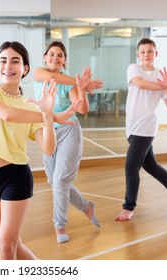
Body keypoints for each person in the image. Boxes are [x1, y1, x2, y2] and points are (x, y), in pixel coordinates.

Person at [0, 41, 82, 259]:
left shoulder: (31, 107)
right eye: (3, 61)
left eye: (15, 61)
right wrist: (49, 115)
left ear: (25, 69)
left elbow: (49, 148)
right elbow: (6, 114)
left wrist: (49, 116)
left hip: (15, 176)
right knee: (11, 245)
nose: (8, 66)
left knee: (5, 246)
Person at [33, 41, 103, 243]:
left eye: (60, 55)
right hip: (48, 132)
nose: (55, 58)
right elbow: (53, 77)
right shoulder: (39, 73)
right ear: (46, 57)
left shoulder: (70, 83)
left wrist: (81, 88)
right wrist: (81, 81)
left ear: (64, 60)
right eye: (52, 54)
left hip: (69, 131)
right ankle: (86, 207)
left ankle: (59, 227)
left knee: (61, 180)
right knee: (53, 181)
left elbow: (82, 110)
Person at [115, 38, 167, 221]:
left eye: (150, 51)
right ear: (138, 54)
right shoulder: (134, 68)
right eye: (143, 52)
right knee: (152, 166)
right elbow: (141, 84)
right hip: (132, 128)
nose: (146, 55)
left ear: (156, 53)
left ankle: (128, 207)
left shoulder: (162, 76)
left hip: (146, 127)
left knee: (131, 167)